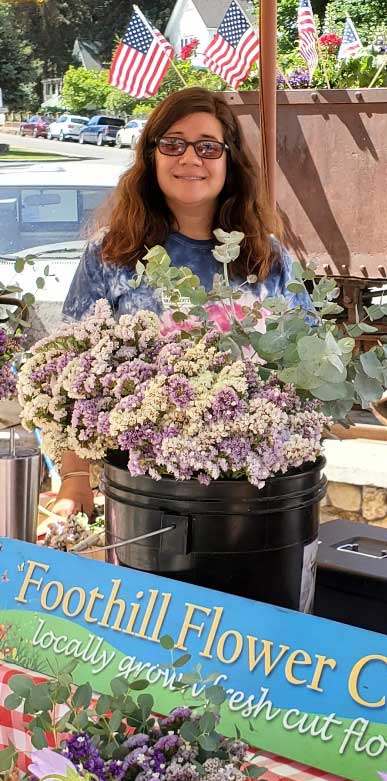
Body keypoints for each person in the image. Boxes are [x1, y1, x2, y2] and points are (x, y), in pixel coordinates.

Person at [52, 87, 309, 518]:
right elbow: (70, 377)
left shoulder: (268, 258)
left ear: (230, 160)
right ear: (152, 155)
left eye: (208, 147)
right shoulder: (111, 256)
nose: (190, 159)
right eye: (173, 144)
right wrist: (75, 480)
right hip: (140, 493)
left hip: (249, 494)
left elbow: (307, 371)